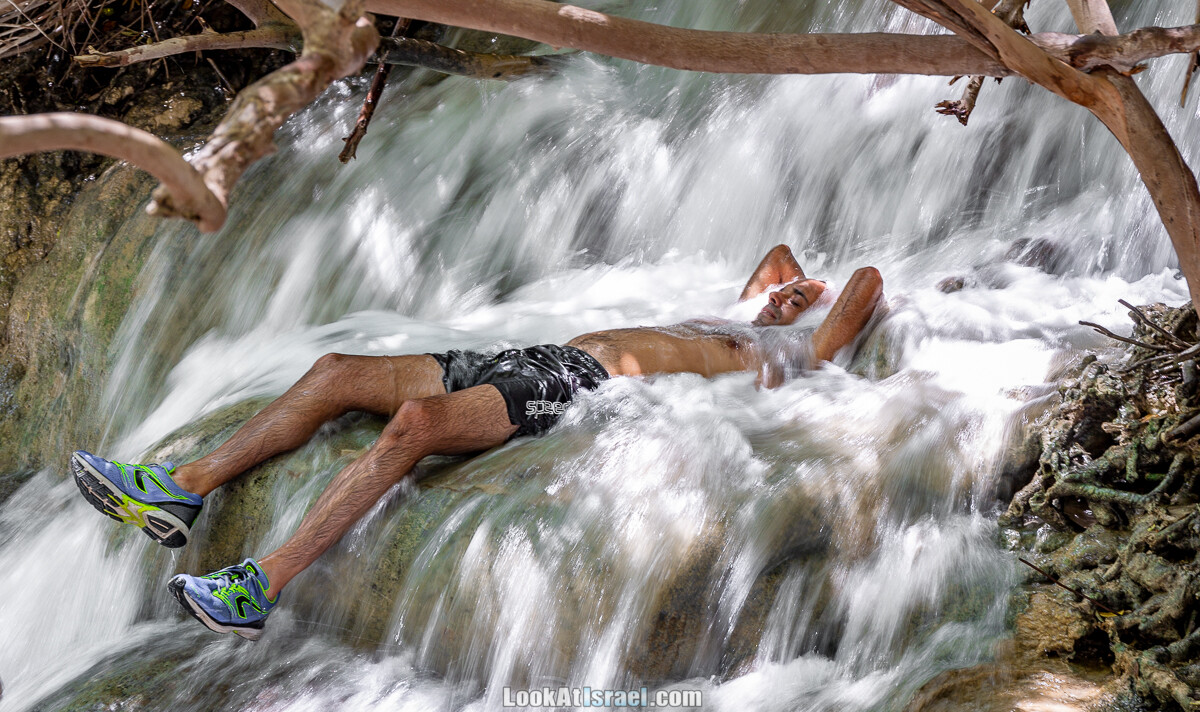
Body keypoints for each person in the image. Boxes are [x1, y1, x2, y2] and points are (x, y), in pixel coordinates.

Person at [70, 245, 883, 640]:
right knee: (333, 374)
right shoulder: (726, 315)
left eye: (790, 305)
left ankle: (260, 586)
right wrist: (788, 285)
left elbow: (866, 291)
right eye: (777, 301)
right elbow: (777, 257)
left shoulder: (784, 360)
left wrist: (812, 310)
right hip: (532, 356)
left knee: (414, 429)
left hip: (582, 389)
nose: (778, 302)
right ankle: (181, 488)